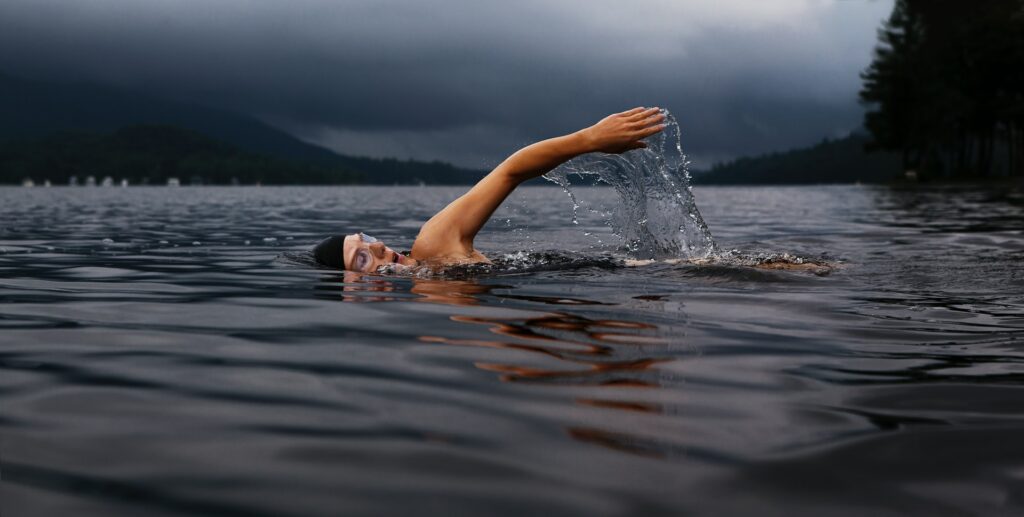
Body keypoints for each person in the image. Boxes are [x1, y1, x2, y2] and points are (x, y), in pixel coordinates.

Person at [313, 107, 667, 272]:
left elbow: (510, 172)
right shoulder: (428, 302)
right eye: (361, 258)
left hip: (640, 272)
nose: (377, 246)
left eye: (367, 238)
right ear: (352, 291)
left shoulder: (433, 246)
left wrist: (589, 139)